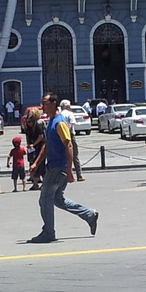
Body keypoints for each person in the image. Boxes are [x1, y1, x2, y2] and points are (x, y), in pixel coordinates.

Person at [27, 93, 98, 243]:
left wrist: (70, 170)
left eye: (44, 103)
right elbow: (47, 145)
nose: (42, 106)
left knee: (45, 199)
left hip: (58, 168)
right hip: (53, 166)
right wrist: (36, 163)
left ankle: (48, 233)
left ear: (53, 103)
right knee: (58, 199)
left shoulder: (60, 123)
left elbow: (69, 145)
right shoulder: (51, 122)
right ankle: (89, 214)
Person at [59, 99, 84, 180]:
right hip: (70, 136)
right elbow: (71, 124)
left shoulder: (59, 115)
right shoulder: (70, 114)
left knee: (63, 155)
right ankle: (79, 175)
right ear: (67, 106)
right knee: (75, 155)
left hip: (61, 136)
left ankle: (63, 175)